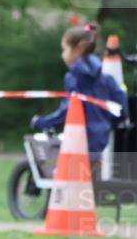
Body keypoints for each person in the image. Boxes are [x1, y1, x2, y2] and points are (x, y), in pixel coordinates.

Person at [32, 23, 128, 157]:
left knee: (66, 174)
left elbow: (67, 110)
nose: (62, 55)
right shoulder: (106, 78)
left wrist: (44, 122)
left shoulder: (74, 78)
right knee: (91, 175)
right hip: (101, 138)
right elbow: (122, 109)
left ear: (79, 49)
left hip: (79, 140)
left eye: (64, 49)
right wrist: (105, 124)